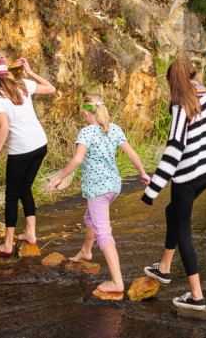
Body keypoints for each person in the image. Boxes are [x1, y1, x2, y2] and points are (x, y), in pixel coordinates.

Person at [141, 60, 206, 311]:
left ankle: (197, 296)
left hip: (187, 178)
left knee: (183, 231)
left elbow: (175, 148)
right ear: (193, 76)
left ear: (173, 81)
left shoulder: (181, 106)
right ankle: (164, 268)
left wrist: (153, 189)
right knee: (172, 212)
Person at [44, 94, 150, 293]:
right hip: (113, 186)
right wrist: (143, 173)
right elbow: (132, 153)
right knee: (90, 217)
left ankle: (117, 282)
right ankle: (85, 251)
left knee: (104, 233)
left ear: (86, 112)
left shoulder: (86, 132)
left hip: (98, 189)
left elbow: (77, 160)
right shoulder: (114, 128)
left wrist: (59, 178)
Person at [0, 54, 55, 255]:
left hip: (21, 150)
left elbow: (4, 126)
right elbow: (51, 88)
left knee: (11, 196)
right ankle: (30, 234)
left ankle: (7, 244)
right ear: (4, 72)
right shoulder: (22, 84)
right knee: (25, 188)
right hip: (40, 144)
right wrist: (30, 72)